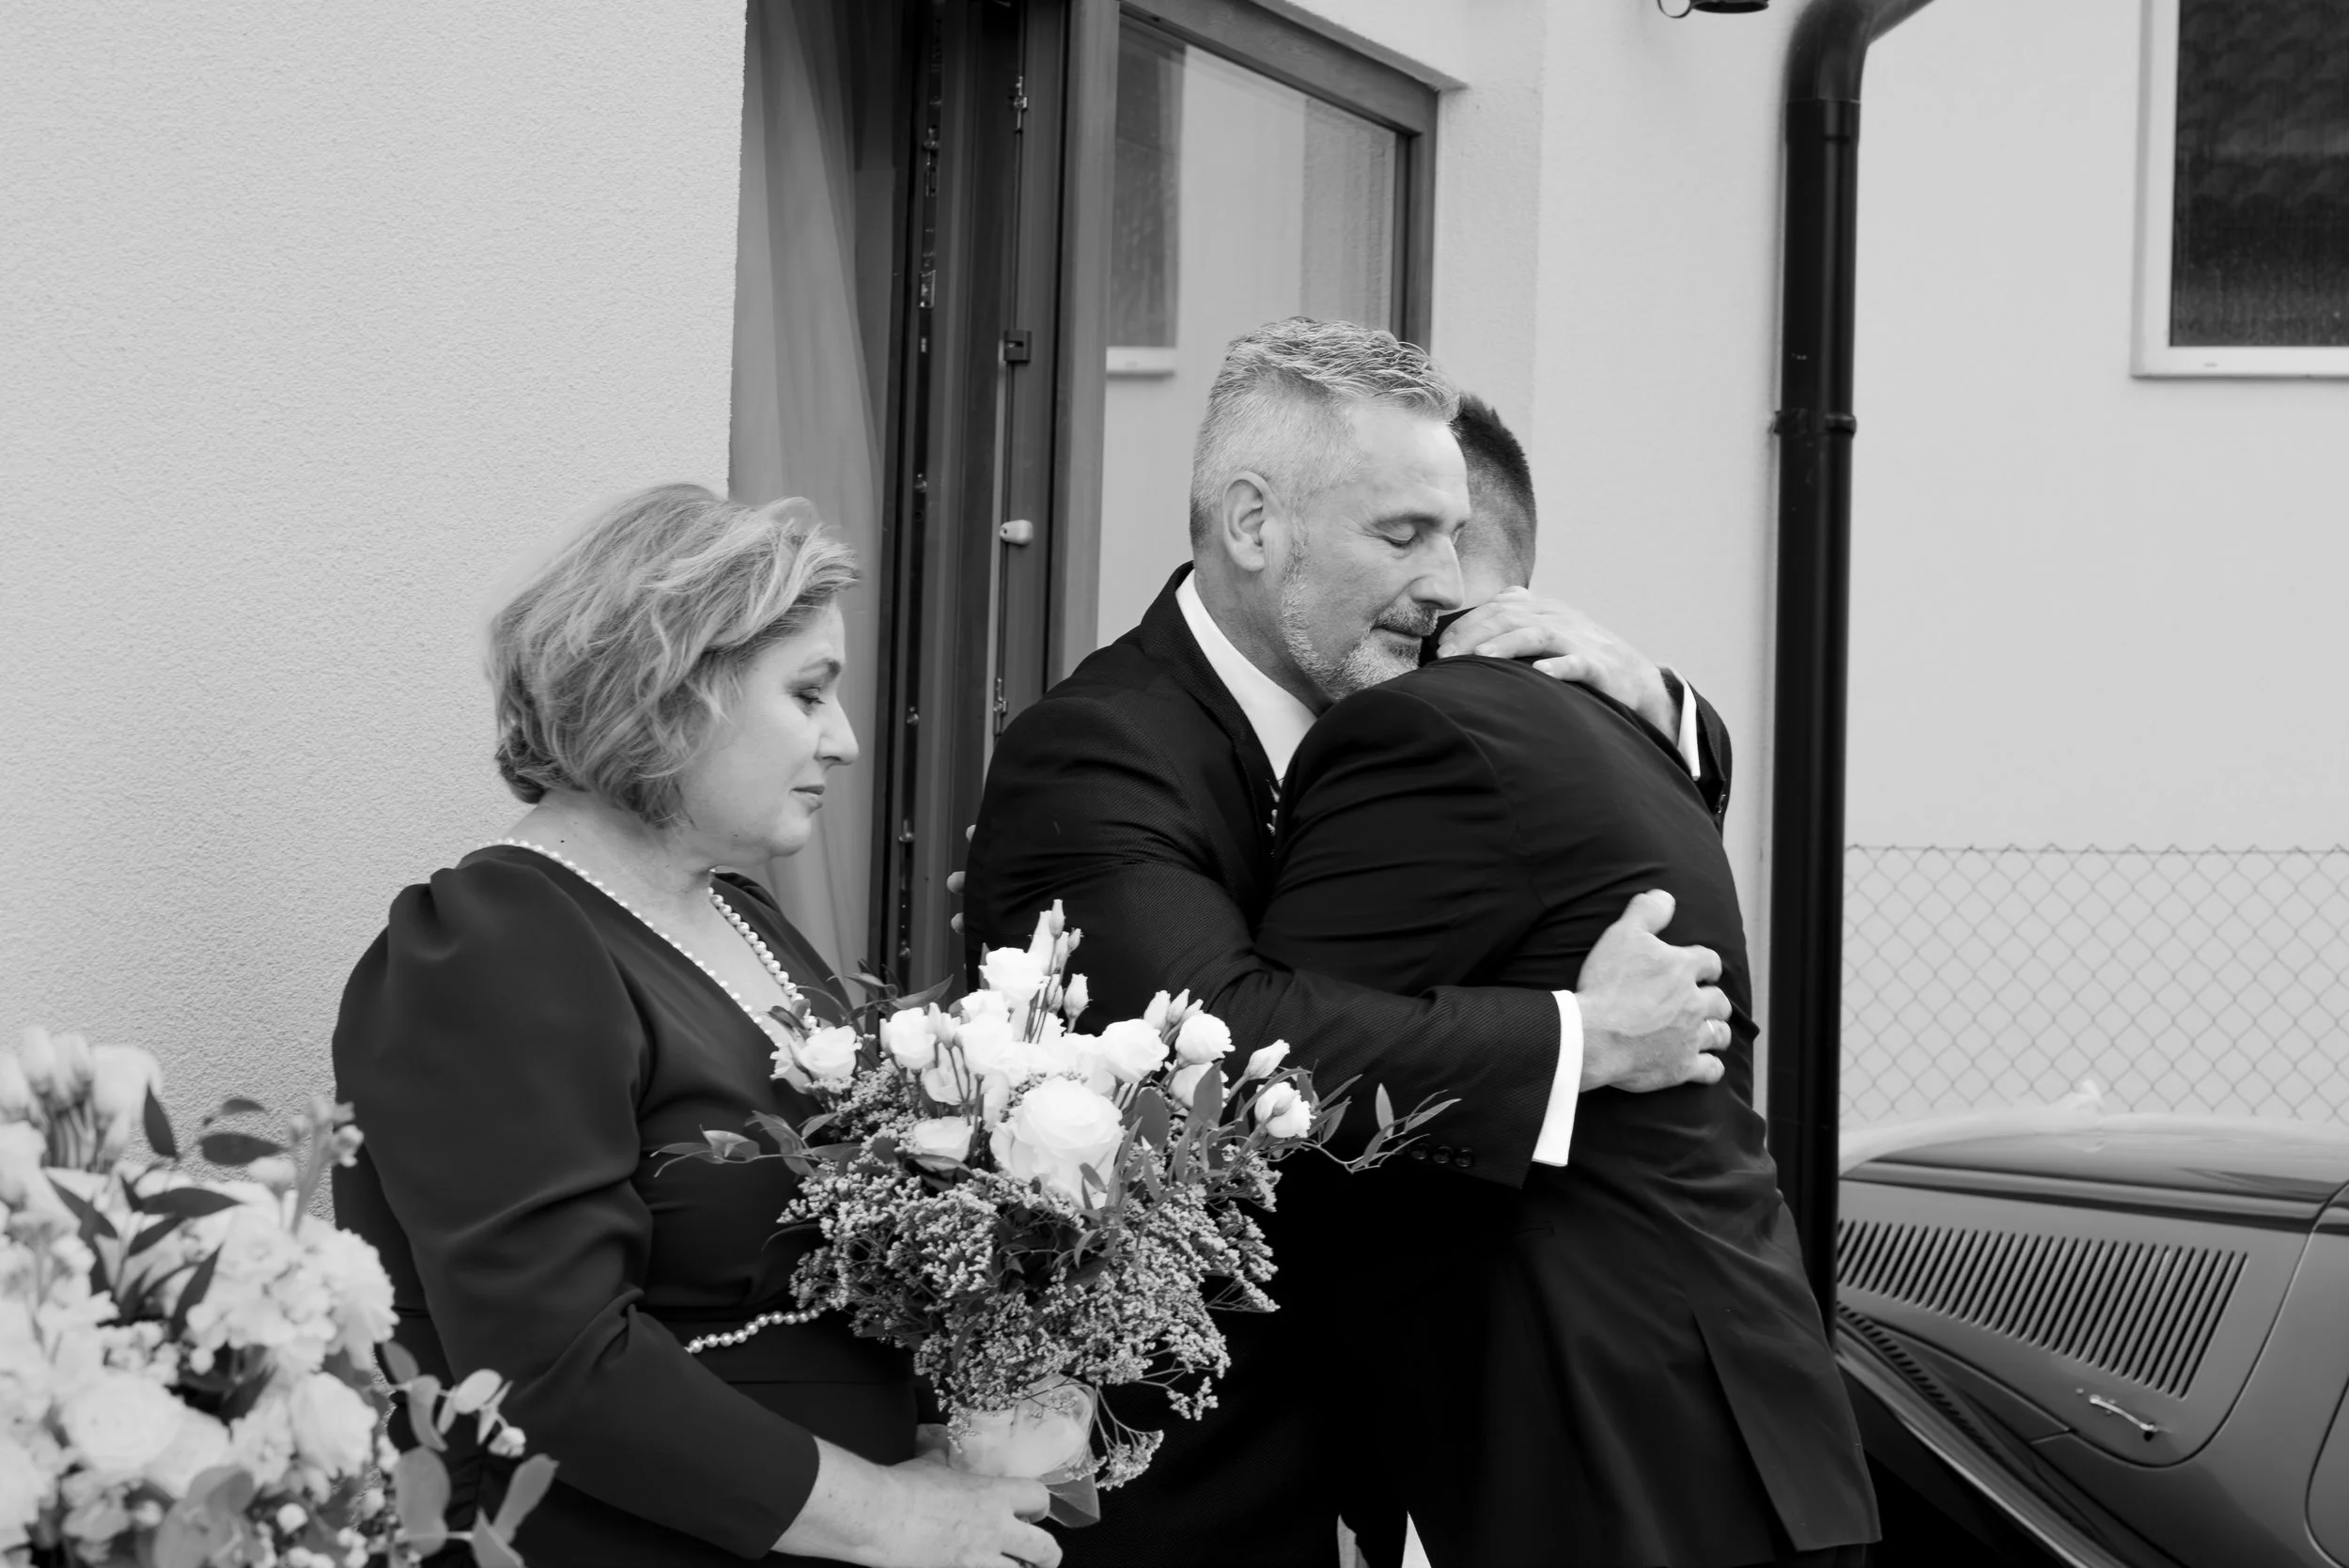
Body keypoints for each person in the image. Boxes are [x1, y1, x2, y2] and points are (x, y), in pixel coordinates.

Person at [960, 318, 1736, 1565]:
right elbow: (1215, 1051)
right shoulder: (1100, 748)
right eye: (1404, 535)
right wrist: (1575, 1041)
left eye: (1454, 533)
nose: (1454, 582)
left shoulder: (1398, 726)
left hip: (1394, 1466)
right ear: (1256, 526)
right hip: (1191, 1487)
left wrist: (1653, 705)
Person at [333, 485, 1059, 1568]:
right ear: (675, 693)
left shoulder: (739, 915)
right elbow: (554, 1362)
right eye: (808, 693)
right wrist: (889, 1514)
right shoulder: (493, 945)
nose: (847, 740)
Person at [1258, 396, 1878, 1568]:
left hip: (1607, 1458)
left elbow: (1270, 1063)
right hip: (1746, 1434)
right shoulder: (1634, 729)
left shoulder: (1420, 732)